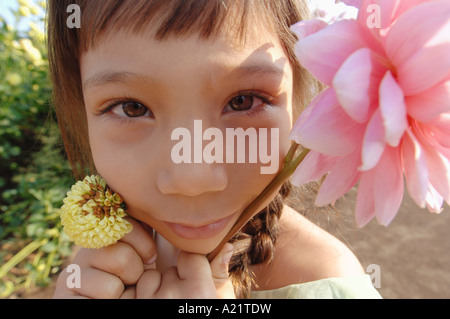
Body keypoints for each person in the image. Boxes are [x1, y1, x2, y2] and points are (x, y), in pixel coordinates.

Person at [48, 0, 381, 299]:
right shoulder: (99, 263)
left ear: (302, 102)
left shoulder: (330, 287)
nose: (193, 177)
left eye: (243, 101)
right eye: (131, 108)